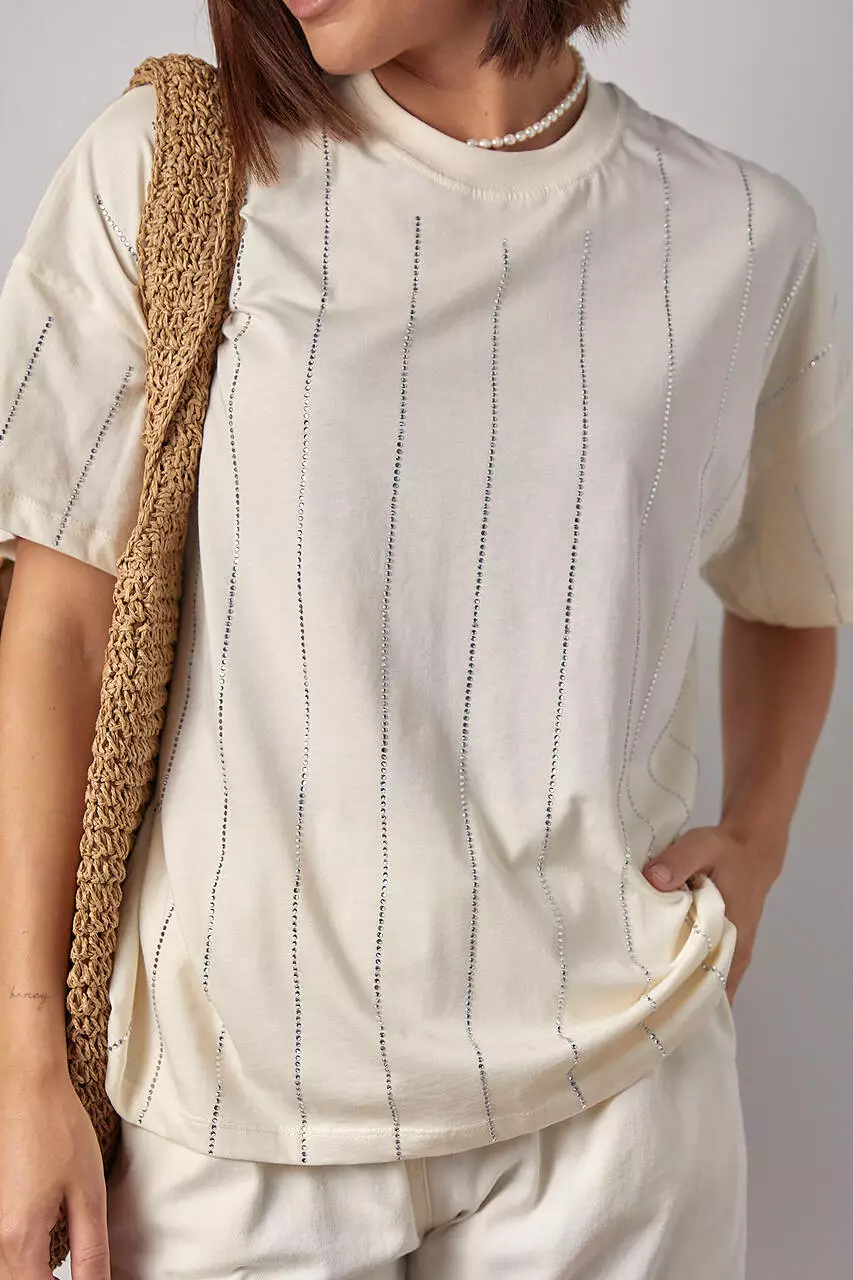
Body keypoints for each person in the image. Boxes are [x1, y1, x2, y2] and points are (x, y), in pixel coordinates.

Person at [1, 1, 850, 1276]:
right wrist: (22, 1058)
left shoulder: (741, 236)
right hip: (233, 1116)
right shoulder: (178, 168)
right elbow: (60, 628)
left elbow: (797, 581)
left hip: (616, 1109)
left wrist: (762, 837)